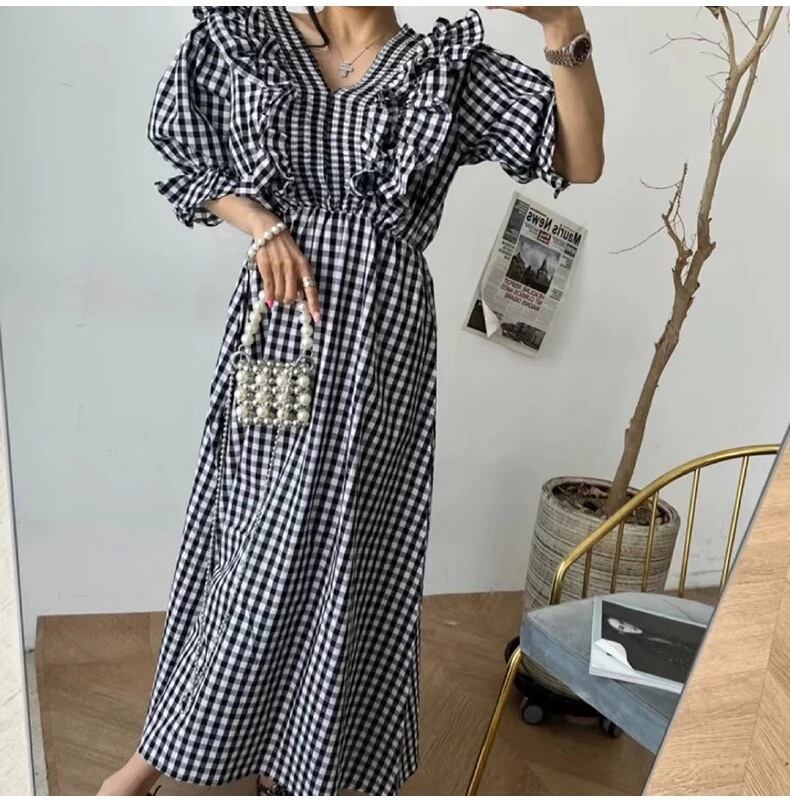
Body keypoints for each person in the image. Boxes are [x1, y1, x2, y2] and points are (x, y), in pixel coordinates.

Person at [98, 4, 604, 796]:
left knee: (352, 547)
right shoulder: (250, 39)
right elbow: (184, 153)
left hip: (383, 343)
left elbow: (581, 158)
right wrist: (260, 222)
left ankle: (300, 760)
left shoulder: (441, 70)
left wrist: (561, 25)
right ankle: (161, 752)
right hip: (278, 328)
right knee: (251, 537)